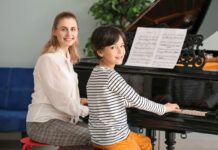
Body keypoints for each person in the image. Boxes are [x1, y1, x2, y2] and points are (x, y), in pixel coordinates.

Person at [87, 25, 181, 150]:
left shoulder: (96, 72)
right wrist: (164, 108)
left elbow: (107, 101)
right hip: (115, 139)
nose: (120, 51)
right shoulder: (112, 77)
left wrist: (127, 103)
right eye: (113, 47)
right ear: (100, 52)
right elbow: (138, 100)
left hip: (99, 138)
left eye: (122, 46)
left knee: (145, 141)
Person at [26, 11, 93, 150]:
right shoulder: (48, 59)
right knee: (96, 137)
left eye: (73, 29)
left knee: (105, 135)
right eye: (64, 29)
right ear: (54, 31)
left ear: (77, 31)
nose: (69, 34)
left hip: (63, 121)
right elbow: (60, 101)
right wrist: (89, 110)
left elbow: (64, 96)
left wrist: (82, 101)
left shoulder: (67, 59)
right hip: (42, 124)